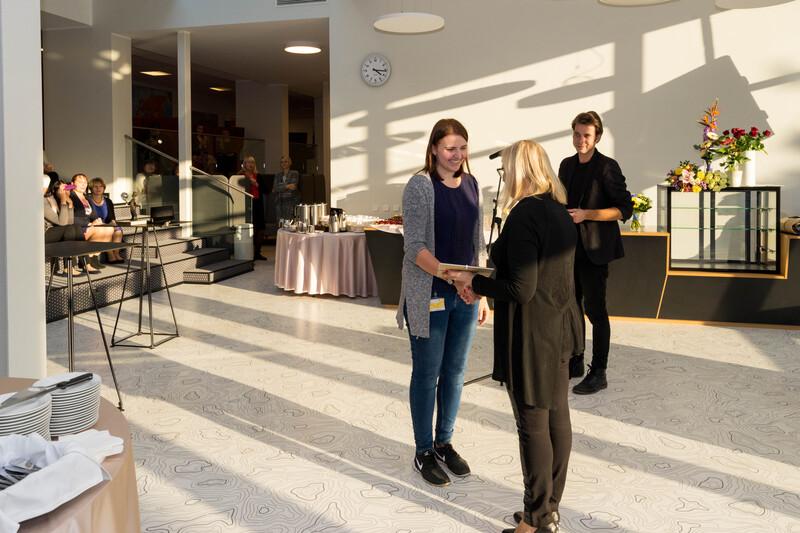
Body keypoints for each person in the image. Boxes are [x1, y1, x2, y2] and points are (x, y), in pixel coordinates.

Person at [448, 139, 582, 533]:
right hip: (561, 327)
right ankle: (548, 509)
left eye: (506, 170)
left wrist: (474, 281)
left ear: (520, 171)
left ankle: (535, 520)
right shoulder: (559, 211)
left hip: (534, 335)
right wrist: (485, 282)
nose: (504, 177)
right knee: (557, 418)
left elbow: (521, 289)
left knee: (533, 424)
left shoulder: (525, 215)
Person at [395, 118, 489, 487]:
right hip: (430, 293)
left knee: (455, 372)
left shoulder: (472, 184)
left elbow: (477, 243)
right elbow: (414, 247)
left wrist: (481, 292)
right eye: (450, 148)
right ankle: (423, 451)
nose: (457, 154)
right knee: (427, 373)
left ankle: (444, 442)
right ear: (434, 148)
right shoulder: (420, 186)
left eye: (462, 147)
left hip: (466, 294)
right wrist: (452, 277)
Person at [558, 111, 632, 395]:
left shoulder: (607, 167)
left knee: (596, 312)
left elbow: (624, 209)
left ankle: (599, 371)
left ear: (597, 137)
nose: (581, 140)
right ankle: (575, 359)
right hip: (568, 250)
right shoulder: (566, 165)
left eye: (587, 135)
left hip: (595, 250)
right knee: (571, 307)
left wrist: (587, 214)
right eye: (577, 134)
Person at [70, 173, 117, 272]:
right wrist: (89, 224)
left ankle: (93, 256)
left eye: (85, 182)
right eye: (80, 182)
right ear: (73, 184)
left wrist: (97, 220)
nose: (83, 184)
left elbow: (94, 215)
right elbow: (70, 218)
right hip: (77, 228)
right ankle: (87, 260)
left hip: (88, 226)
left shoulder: (87, 198)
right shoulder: (70, 196)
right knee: (99, 229)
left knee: (109, 228)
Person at [43, 175, 84, 276]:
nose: (65, 191)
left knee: (76, 227)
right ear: (54, 189)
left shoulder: (55, 200)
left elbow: (70, 222)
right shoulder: (43, 200)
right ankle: (68, 267)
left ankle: (85, 263)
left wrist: (70, 203)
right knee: (69, 229)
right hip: (44, 234)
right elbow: (62, 223)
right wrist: (63, 200)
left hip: (55, 231)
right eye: (62, 189)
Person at [88, 177, 125, 264]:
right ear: (91, 188)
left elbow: (112, 217)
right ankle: (110, 254)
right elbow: (88, 217)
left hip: (107, 224)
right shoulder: (88, 200)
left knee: (118, 229)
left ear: (104, 188)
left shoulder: (108, 201)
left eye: (101, 186)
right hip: (96, 225)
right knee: (108, 229)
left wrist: (113, 222)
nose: (98, 189)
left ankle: (116, 253)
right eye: (95, 186)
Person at [241, 155, 268, 260]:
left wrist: (256, 184)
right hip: (245, 205)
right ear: (245, 164)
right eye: (248, 162)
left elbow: (266, 190)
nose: (250, 164)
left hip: (258, 204)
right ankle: (248, 252)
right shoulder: (240, 175)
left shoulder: (258, 176)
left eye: (252, 162)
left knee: (260, 229)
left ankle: (257, 253)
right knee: (250, 228)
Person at [273, 155, 300, 223]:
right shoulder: (278, 175)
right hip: (279, 202)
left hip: (290, 202)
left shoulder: (294, 173)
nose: (283, 163)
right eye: (282, 162)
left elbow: (293, 187)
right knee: (280, 224)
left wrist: (280, 186)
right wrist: (287, 186)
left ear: (290, 163)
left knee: (289, 224)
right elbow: (275, 188)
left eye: (286, 161)